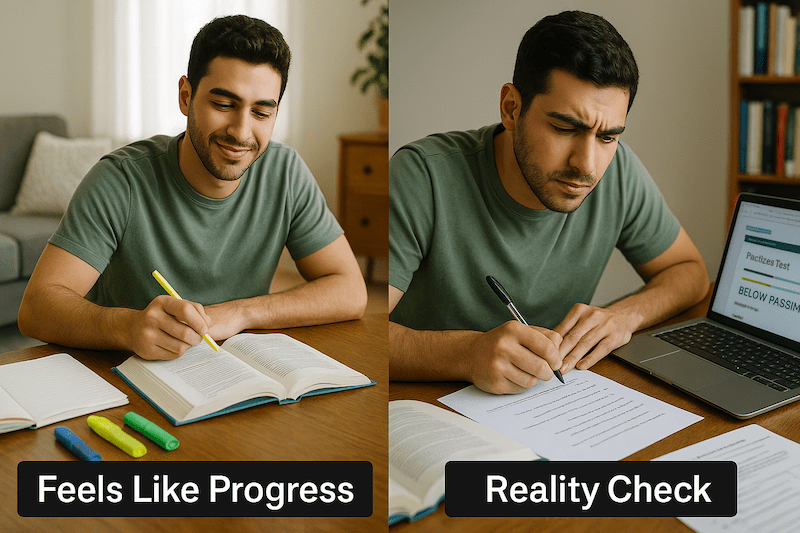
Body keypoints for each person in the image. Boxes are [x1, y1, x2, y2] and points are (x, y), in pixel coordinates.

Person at [388, 10, 709, 394]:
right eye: (564, 128)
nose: (586, 166)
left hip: (549, 408)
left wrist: (623, 317)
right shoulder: (422, 176)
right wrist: (467, 353)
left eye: (608, 137)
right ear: (511, 108)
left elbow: (690, 272)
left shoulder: (619, 170)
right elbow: (366, 329)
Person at [18, 15, 367, 360]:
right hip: (126, 378)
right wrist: (128, 326)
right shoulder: (120, 179)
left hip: (230, 374)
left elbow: (351, 291)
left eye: (261, 113)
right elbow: (36, 309)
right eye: (223, 104)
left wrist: (240, 313)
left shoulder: (286, 172)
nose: (241, 132)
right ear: (186, 96)